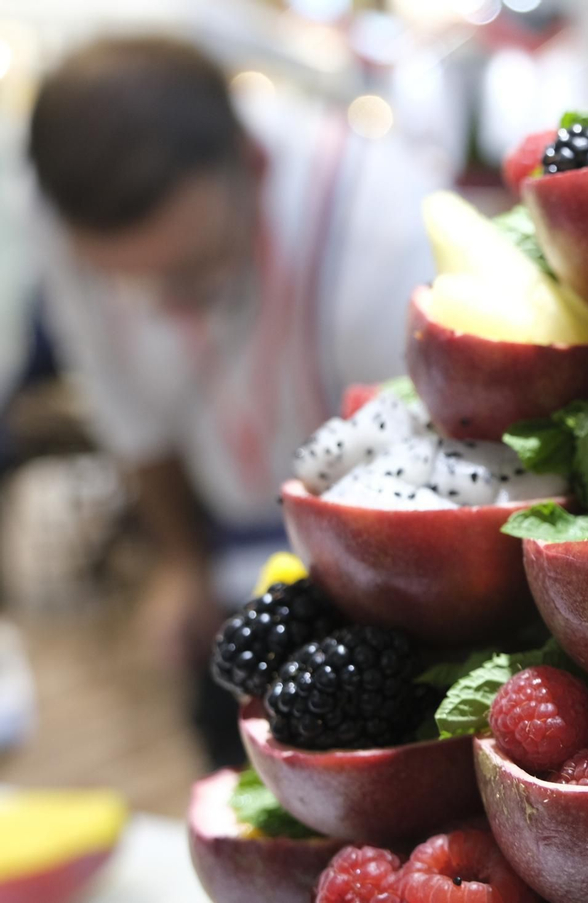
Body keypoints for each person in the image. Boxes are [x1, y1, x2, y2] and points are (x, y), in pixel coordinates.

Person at [27, 37, 447, 763]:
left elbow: (421, 448)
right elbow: (129, 414)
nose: (163, 303)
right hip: (227, 546)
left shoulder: (378, 218)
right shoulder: (63, 231)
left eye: (190, 269)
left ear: (248, 164)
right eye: (129, 281)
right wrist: (180, 561)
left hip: (386, 554)